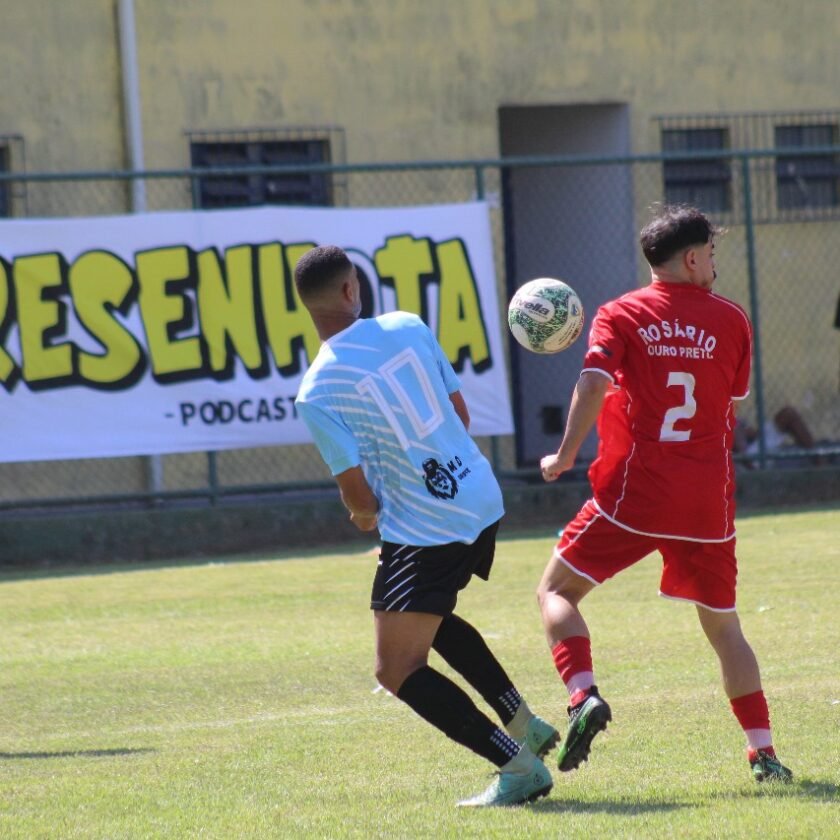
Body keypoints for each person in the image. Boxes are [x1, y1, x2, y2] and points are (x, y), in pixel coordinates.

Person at [537, 205, 793, 784]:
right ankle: (763, 753)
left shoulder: (621, 313)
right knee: (725, 628)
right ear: (693, 257)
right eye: (712, 254)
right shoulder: (732, 320)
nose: (715, 266)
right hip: (706, 502)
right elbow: (729, 401)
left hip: (636, 494)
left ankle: (582, 697)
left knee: (555, 591)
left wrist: (566, 453)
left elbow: (595, 382)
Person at [294, 245, 557, 807]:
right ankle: (524, 723)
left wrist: (365, 515)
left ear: (306, 306)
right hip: (481, 498)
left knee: (396, 669)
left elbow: (357, 497)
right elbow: (459, 415)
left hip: (427, 528)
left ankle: (518, 766)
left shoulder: (316, 390)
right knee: (429, 621)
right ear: (351, 290)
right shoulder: (408, 325)